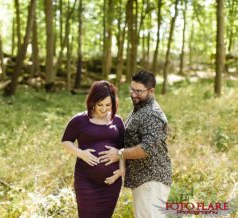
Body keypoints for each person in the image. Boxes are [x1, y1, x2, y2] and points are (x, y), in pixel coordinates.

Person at [99, 70, 172, 218]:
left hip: (152, 180)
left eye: (138, 91)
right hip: (142, 179)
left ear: (151, 91)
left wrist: (119, 153)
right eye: (132, 89)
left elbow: (147, 148)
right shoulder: (140, 109)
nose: (133, 94)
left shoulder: (152, 114)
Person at [61, 80, 125, 218]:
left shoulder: (117, 121)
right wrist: (81, 153)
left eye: (108, 105)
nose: (104, 108)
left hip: (111, 183)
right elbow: (66, 142)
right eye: (100, 104)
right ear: (92, 102)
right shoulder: (79, 120)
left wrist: (121, 171)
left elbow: (123, 148)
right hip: (86, 181)